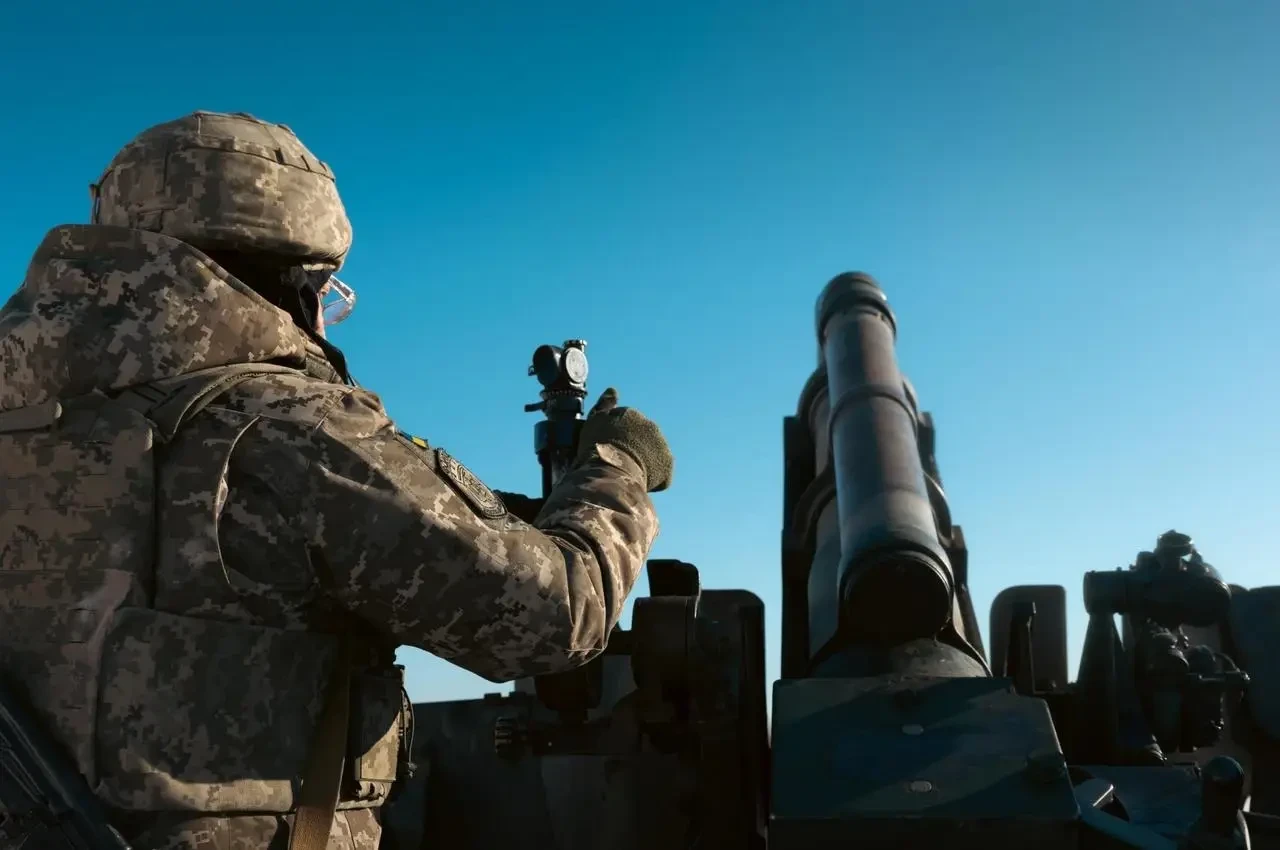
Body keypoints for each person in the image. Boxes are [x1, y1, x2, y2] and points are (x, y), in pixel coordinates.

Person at [0, 111, 673, 849]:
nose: (326, 318)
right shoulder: (287, 428)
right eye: (327, 290)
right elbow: (555, 616)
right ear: (286, 278)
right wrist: (619, 468)